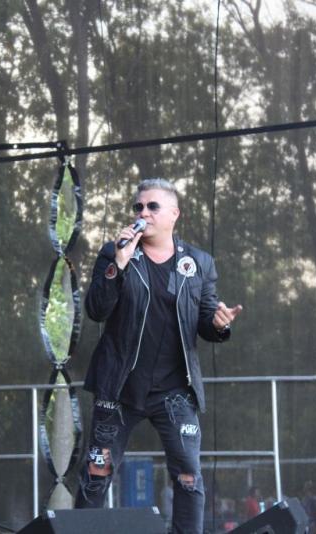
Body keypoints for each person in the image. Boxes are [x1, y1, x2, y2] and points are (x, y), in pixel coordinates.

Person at [75, 179, 242, 534]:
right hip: (118, 388)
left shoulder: (198, 263)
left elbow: (207, 322)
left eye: (152, 206)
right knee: (96, 475)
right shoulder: (113, 253)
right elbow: (96, 310)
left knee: (188, 477)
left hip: (174, 391)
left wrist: (220, 324)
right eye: (138, 207)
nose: (143, 213)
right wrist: (118, 264)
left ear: (174, 214)